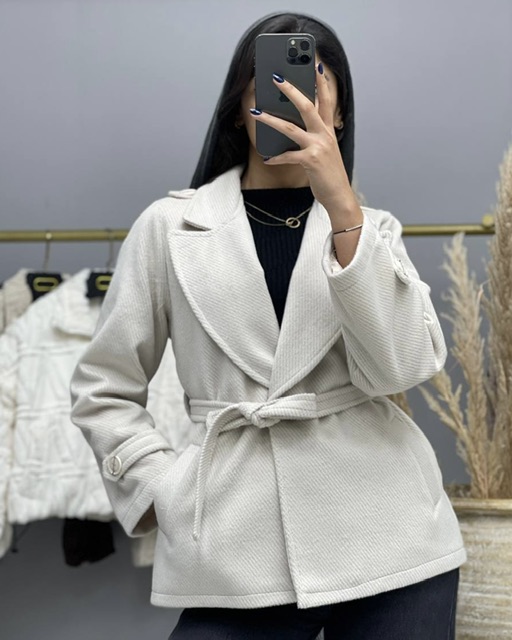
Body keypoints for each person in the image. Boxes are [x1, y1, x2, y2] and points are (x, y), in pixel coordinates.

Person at [69, 10, 466, 640]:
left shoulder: (373, 229)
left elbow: (401, 369)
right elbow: (103, 388)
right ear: (238, 109)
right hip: (236, 543)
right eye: (269, 86)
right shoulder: (168, 229)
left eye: (308, 84)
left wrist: (343, 207)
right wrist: (162, 489)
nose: (289, 99)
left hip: (391, 536)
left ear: (338, 114)